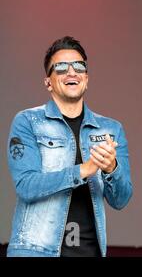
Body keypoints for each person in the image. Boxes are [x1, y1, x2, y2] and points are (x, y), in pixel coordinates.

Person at [6, 36, 133, 257]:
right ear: (48, 82)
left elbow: (121, 199)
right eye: (61, 67)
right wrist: (84, 169)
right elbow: (26, 186)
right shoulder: (28, 121)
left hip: (90, 252)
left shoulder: (111, 129)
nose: (71, 72)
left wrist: (112, 167)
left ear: (86, 78)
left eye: (79, 66)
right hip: (36, 252)